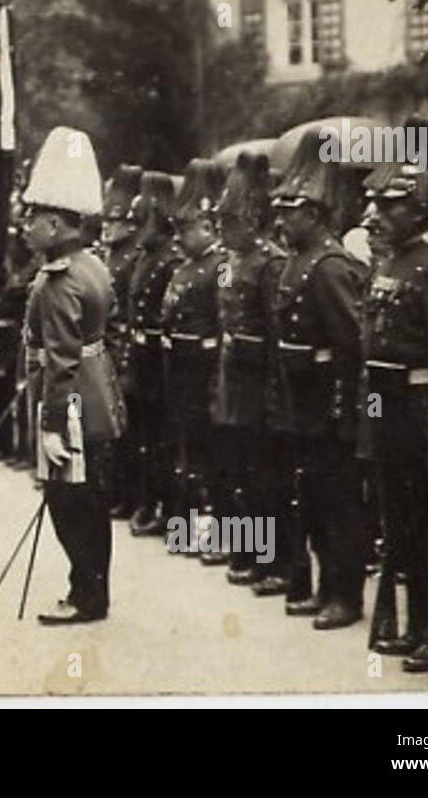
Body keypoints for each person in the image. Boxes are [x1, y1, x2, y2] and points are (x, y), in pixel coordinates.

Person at [355, 120, 428, 667]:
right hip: (387, 408)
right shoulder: (387, 263)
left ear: (417, 208)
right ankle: (412, 626)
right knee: (400, 524)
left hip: (419, 412)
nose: (378, 215)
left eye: (389, 206)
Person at [19, 126, 126, 625]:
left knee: (69, 501)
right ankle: (93, 592)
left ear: (58, 225)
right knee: (91, 501)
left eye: (34, 218)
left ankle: (85, 595)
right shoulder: (93, 266)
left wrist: (51, 424)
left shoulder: (59, 280)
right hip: (98, 393)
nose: (26, 226)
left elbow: (59, 359)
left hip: (72, 405)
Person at [269, 132, 367, 630]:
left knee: (340, 501)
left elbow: (353, 346)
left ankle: (344, 595)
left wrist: (344, 408)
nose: (282, 220)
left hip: (330, 404)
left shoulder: (329, 267)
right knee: (314, 498)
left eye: (291, 211)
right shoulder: (296, 262)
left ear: (315, 213)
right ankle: (327, 586)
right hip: (302, 402)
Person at [211, 151, 286, 587]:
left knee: (266, 479)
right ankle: (247, 552)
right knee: (239, 474)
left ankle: (273, 560)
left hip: (259, 385)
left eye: (231, 221)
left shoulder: (268, 263)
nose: (224, 229)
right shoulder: (230, 263)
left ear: (253, 220)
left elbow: (276, 333)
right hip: (232, 384)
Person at [161, 159, 227, 561]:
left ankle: (214, 531)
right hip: (180, 371)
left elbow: (224, 321)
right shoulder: (185, 268)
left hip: (206, 371)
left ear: (206, 225)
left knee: (209, 455)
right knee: (184, 451)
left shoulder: (220, 268)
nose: (180, 237)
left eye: (186, 229)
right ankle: (184, 526)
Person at [125, 173, 185, 537]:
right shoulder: (145, 257)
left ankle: (167, 508)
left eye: (141, 221)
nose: (136, 230)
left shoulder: (170, 259)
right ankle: (146, 502)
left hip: (163, 360)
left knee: (165, 439)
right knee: (144, 436)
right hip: (141, 356)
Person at [100, 165, 146, 518]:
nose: (107, 229)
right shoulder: (110, 256)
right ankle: (117, 492)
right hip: (107, 353)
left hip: (125, 354)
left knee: (131, 436)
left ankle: (131, 496)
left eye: (114, 222)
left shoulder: (133, 258)